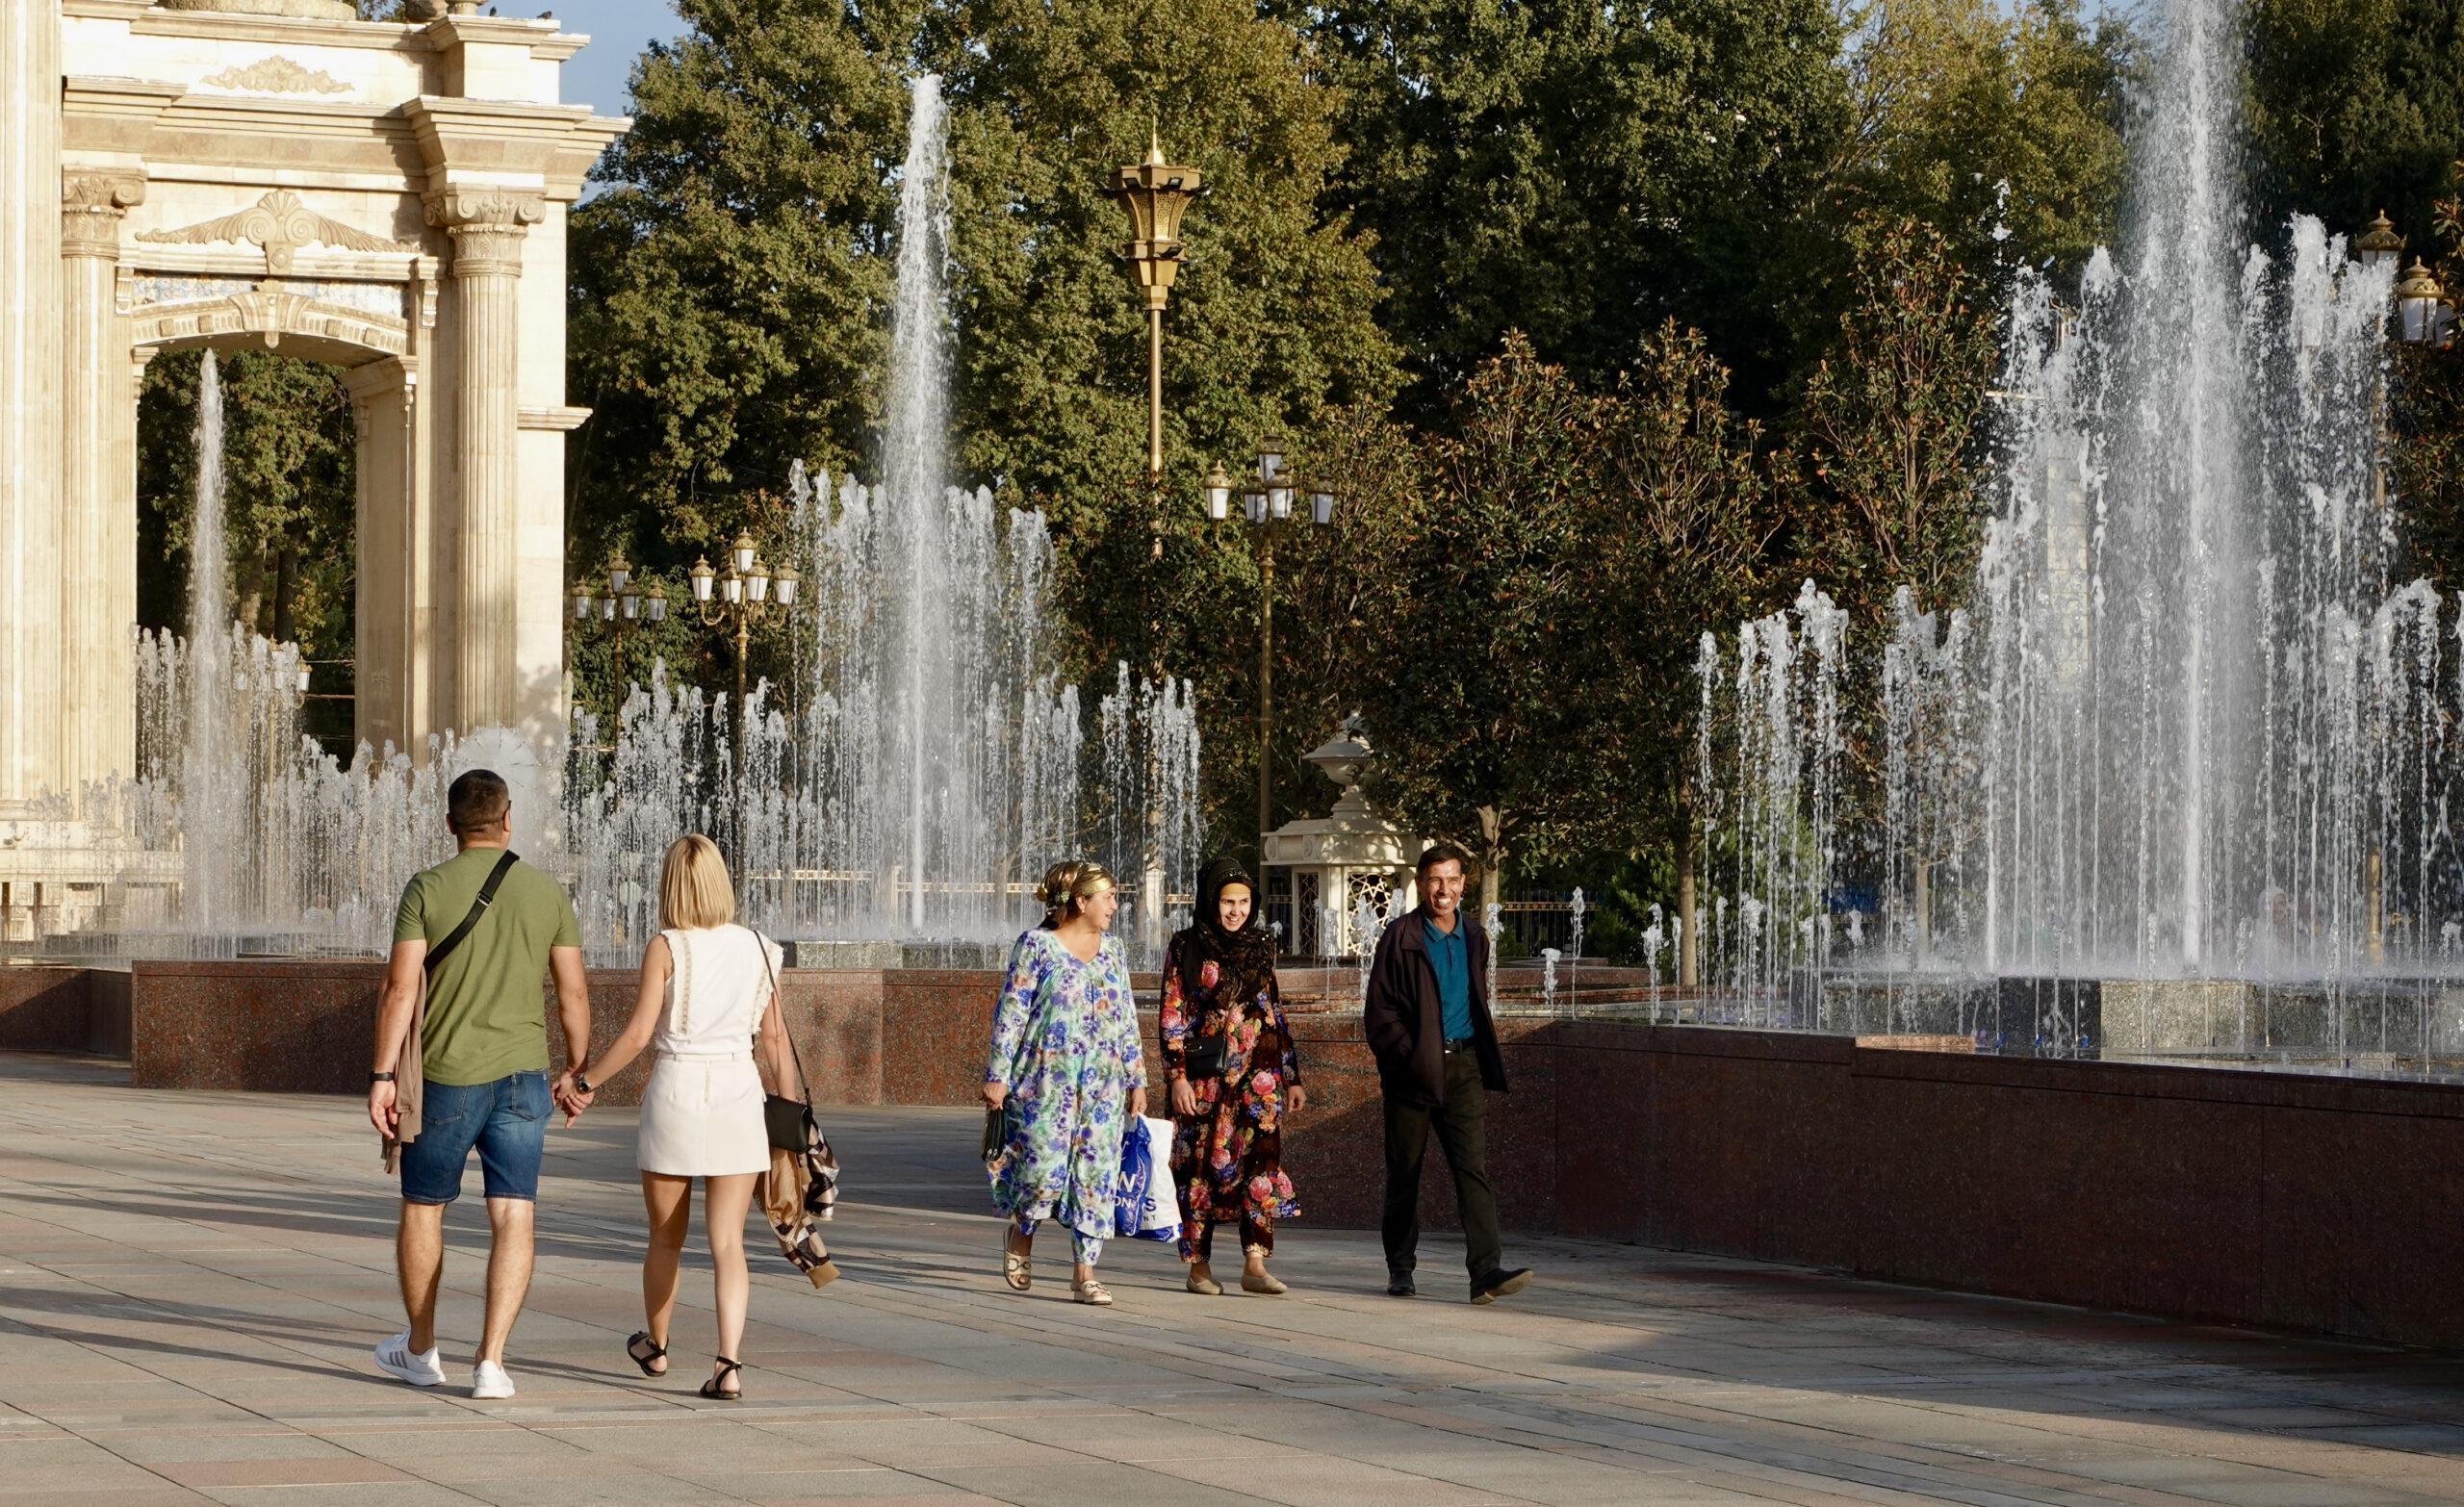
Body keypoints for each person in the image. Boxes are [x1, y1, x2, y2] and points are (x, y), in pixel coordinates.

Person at [367, 769, 589, 1398]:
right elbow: (573, 992)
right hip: (524, 1079)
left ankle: (420, 1349)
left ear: (450, 824)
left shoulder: (427, 888)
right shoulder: (546, 892)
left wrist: (384, 1074)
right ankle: (491, 1362)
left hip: (446, 1077)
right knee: (514, 1213)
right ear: (508, 819)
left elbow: (400, 988)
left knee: (424, 1207)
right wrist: (577, 1068)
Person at [556, 833, 791, 1401]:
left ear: (670, 886)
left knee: (666, 1238)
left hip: (677, 1094)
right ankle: (729, 1364)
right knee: (727, 1243)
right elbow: (776, 1040)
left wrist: (584, 1083)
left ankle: (658, 1349)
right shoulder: (763, 949)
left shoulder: (667, 946)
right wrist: (791, 1124)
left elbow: (639, 1035)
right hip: (738, 1094)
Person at [1363, 843, 1533, 1305]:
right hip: (1413, 1070)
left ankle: (1486, 1272)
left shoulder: (1476, 936)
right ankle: (1400, 1266)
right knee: (1405, 1172)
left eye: (1453, 879)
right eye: (1435, 879)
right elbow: (1379, 1015)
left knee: (1471, 1170)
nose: (1444, 889)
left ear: (1464, 884)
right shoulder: (1400, 937)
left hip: (1464, 1066)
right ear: (1420, 883)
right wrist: (1410, 1054)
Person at [983, 860, 1147, 1306]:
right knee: (1040, 1172)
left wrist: (1137, 1079)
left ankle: (1085, 1272)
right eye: (1108, 896)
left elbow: (1126, 1015)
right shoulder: (1036, 946)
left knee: (1095, 1175)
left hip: (1104, 1085)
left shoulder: (1113, 950)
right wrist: (998, 1076)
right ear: (1081, 901)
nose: (1115, 905)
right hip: (1044, 1083)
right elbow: (1010, 1013)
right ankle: (1021, 1234)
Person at [1160, 856, 1306, 1296]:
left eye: (1243, 902)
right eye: (1227, 901)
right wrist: (1177, 1078)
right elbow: (1171, 1013)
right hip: (1205, 1079)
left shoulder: (1261, 945)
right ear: (1211, 901)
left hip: (1259, 1078)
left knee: (1261, 1163)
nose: (1236, 911)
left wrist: (1291, 1076)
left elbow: (1274, 1012)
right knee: (1199, 1168)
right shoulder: (1186, 946)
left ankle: (1255, 1264)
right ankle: (1199, 1269)